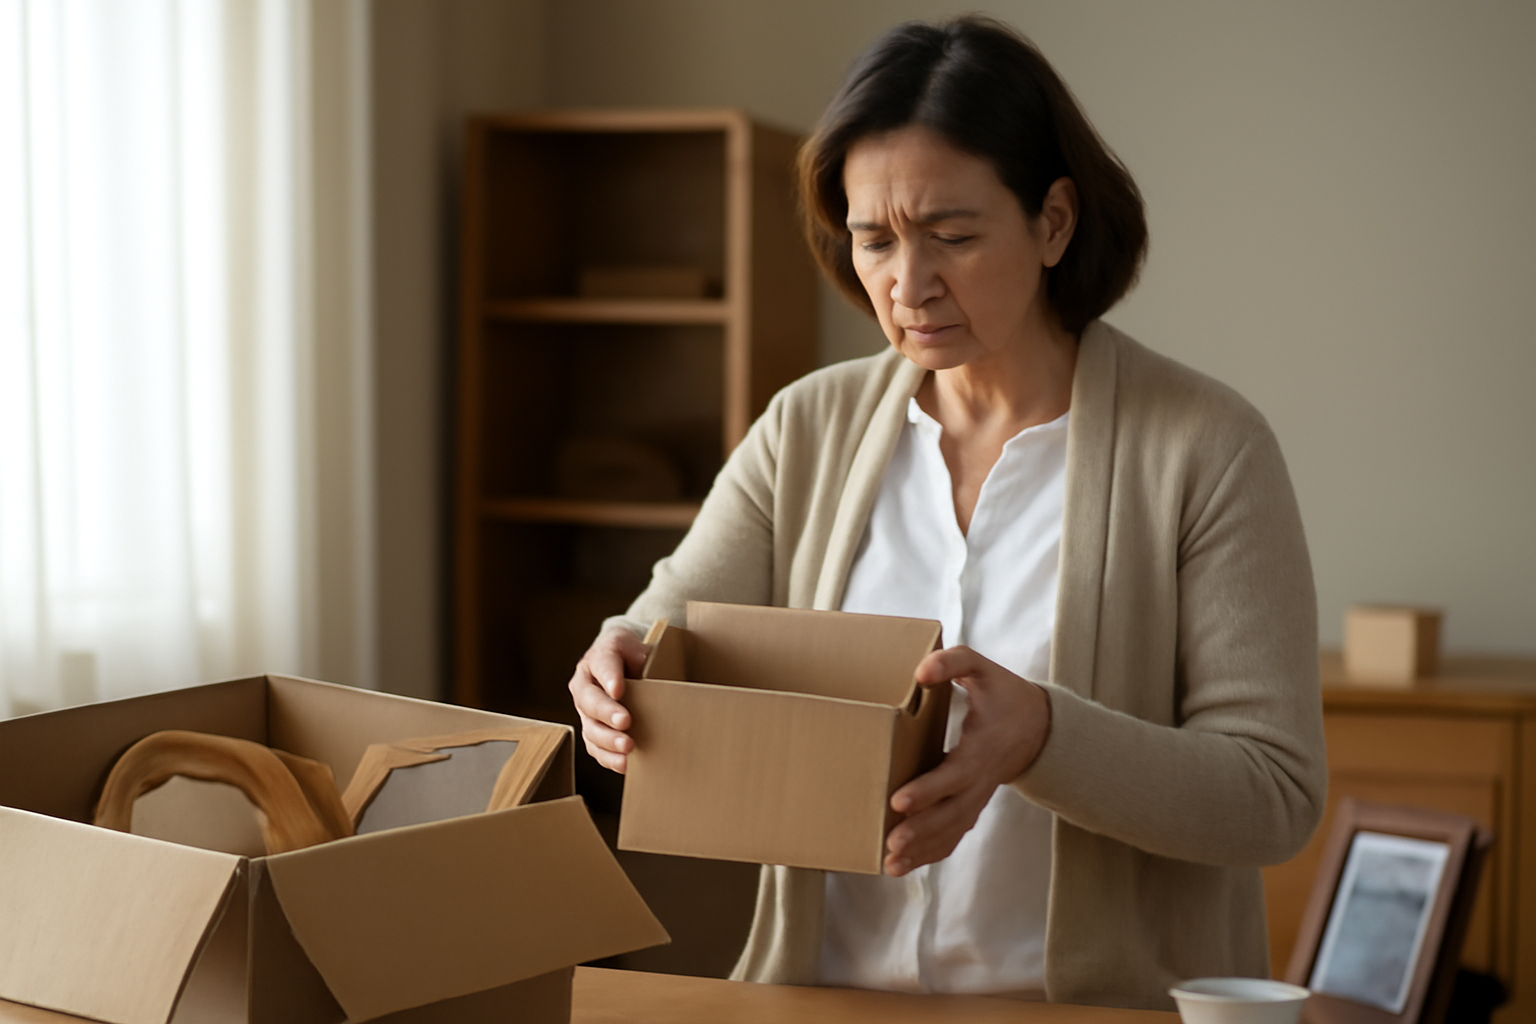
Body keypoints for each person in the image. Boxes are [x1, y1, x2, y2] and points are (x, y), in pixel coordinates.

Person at [568, 15, 1326, 1012]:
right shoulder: (806, 428)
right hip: (826, 999)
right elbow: (665, 626)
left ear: (1054, 222)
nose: (908, 285)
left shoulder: (1207, 448)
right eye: (874, 239)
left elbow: (1273, 795)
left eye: (953, 237)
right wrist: (617, 663)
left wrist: (1044, 735)